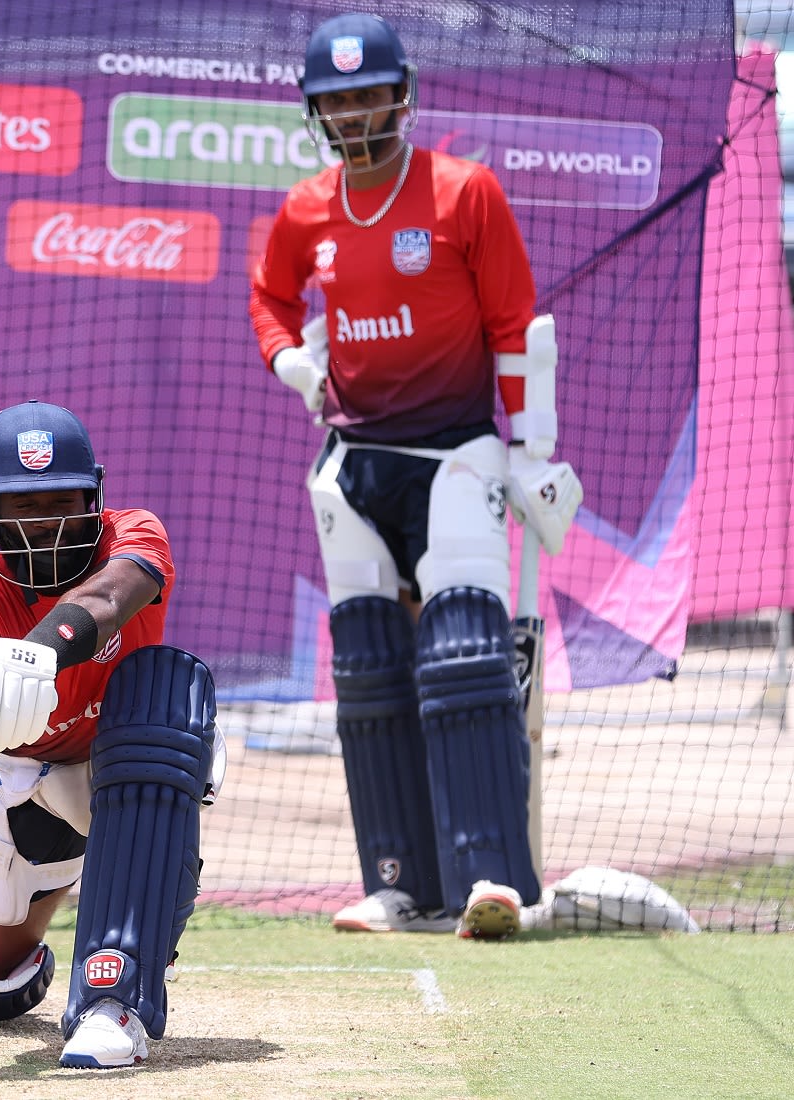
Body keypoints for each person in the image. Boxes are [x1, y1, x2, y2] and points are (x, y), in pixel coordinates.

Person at [249, 13, 583, 939]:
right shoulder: (305, 209)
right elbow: (271, 299)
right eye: (337, 99)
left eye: (369, 94)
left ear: (404, 95)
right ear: (316, 110)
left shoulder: (464, 193)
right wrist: (296, 367)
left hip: (457, 450)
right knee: (365, 673)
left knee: (465, 658)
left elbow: (516, 324)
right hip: (356, 461)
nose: (355, 113)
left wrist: (532, 451)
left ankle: (492, 881)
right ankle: (396, 883)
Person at [0, 399, 224, 1068]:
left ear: (93, 497)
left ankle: (114, 1000)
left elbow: (110, 598)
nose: (44, 521)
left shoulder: (134, 534)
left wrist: (32, 659)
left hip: (130, 758)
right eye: (22, 505)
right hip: (31, 782)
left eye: (60, 500)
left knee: (163, 691)